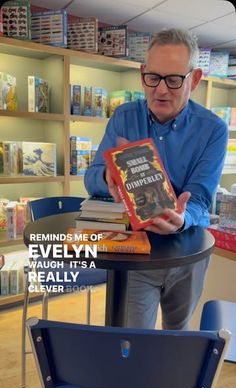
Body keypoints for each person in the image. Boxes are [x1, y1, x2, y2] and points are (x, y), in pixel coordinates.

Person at [84, 28, 228, 330]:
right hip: (136, 252)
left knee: (175, 341)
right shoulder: (124, 117)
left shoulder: (213, 130)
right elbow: (91, 177)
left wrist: (183, 216)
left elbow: (201, 198)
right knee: (134, 342)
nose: (161, 90)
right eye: (153, 77)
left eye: (174, 79)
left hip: (188, 253)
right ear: (142, 74)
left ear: (195, 79)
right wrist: (109, 174)